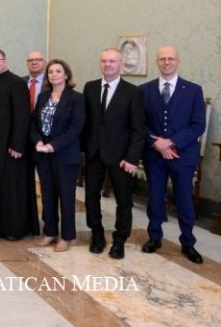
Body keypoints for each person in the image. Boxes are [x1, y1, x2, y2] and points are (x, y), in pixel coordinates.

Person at [140, 46, 206, 264]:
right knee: (155, 198)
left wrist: (170, 142)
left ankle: (188, 242)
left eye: (171, 59)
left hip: (183, 156)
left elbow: (198, 125)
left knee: (184, 200)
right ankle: (154, 237)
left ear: (178, 61)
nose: (166, 62)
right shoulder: (144, 90)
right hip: (154, 155)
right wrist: (156, 143)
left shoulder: (193, 90)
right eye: (162, 59)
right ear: (156, 62)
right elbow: (139, 123)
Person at [82, 48, 146, 259]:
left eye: (112, 61)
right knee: (91, 196)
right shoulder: (90, 87)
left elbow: (138, 129)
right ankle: (97, 234)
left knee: (123, 200)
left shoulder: (133, 92)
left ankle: (119, 240)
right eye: (104, 61)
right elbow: (87, 122)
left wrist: (132, 158)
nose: (107, 64)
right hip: (94, 153)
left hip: (121, 157)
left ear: (121, 64)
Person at [0, 49, 38, 241]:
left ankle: (14, 228)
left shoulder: (16, 83)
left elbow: (22, 116)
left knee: (11, 188)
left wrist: (17, 145)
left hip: (10, 147)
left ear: (5, 61)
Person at [31, 59, 85, 252]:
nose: (54, 75)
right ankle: (50, 232)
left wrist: (53, 146)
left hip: (65, 154)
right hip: (43, 154)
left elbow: (76, 128)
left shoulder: (76, 98)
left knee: (66, 197)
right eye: (51, 72)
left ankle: (67, 236)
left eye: (58, 71)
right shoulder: (43, 97)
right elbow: (34, 123)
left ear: (66, 75)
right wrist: (37, 141)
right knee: (47, 195)